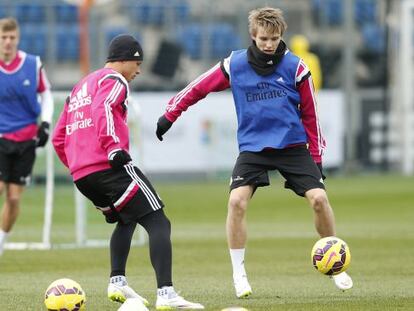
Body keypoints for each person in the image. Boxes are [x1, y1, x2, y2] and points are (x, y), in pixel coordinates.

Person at [155, 7, 353, 298]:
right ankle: (239, 274)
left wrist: (317, 158)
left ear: (281, 36)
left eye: (274, 38)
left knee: (320, 199)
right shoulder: (234, 64)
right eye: (263, 39)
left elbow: (312, 117)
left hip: (292, 146)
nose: (269, 44)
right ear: (253, 36)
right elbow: (199, 88)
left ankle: (336, 262)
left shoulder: (297, 67)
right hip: (253, 148)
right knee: (236, 202)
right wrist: (170, 114)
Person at [52, 34, 204, 310]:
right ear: (126, 59)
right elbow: (103, 108)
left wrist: (77, 165)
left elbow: (58, 138)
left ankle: (117, 282)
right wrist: (112, 148)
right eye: (138, 63)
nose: (139, 70)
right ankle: (167, 294)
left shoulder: (79, 87)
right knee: (158, 220)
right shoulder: (114, 80)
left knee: (128, 218)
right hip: (109, 165)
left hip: (82, 176)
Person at [0, 17, 53, 256]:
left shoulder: (32, 64)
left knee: (13, 198)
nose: (8, 42)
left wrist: (45, 123)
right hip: (1, 138)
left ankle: (1, 243)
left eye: (12, 37)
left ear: (18, 38)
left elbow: (46, 94)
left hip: (25, 140)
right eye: (3, 37)